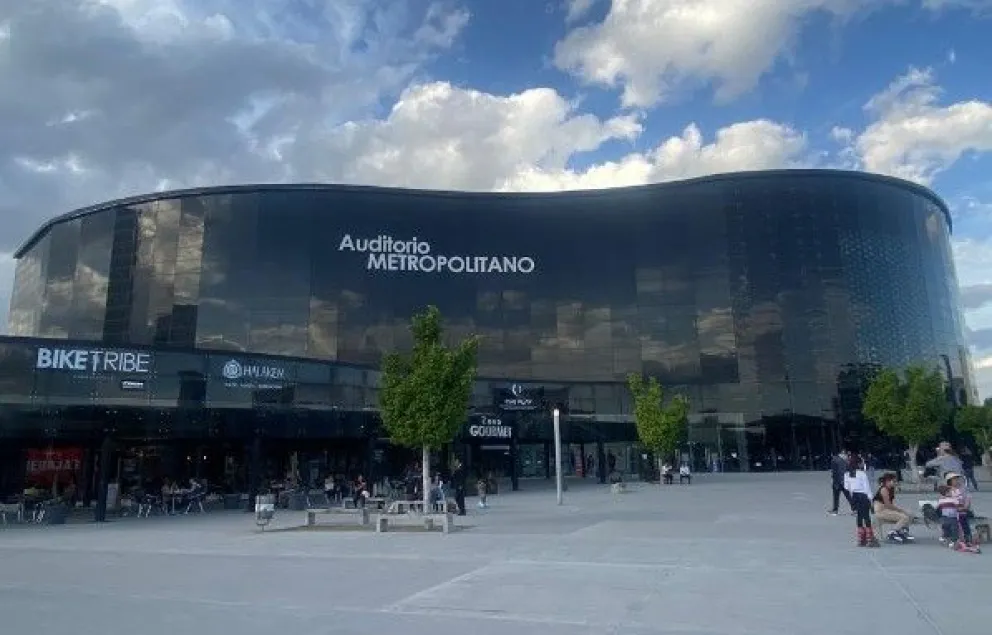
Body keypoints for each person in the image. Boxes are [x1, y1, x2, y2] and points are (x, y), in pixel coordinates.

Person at [844, 453, 879, 547]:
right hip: (863, 496)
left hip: (854, 497)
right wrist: (871, 499)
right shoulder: (861, 474)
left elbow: (846, 487)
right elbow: (867, 488)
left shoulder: (847, 474)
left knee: (859, 516)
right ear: (858, 463)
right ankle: (869, 538)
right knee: (866, 516)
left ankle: (860, 538)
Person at [872, 473, 914, 543]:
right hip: (881, 511)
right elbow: (888, 505)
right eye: (894, 481)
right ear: (888, 481)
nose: (895, 483)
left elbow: (890, 504)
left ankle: (902, 532)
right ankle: (893, 533)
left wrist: (900, 510)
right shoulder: (884, 489)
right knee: (904, 517)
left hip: (886, 510)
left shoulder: (891, 488)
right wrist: (900, 510)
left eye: (895, 481)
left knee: (909, 514)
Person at [945, 472, 974, 546]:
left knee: (963, 519)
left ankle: (968, 537)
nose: (956, 481)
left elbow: (968, 499)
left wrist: (964, 507)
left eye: (957, 479)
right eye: (954, 479)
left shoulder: (963, 489)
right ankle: (948, 536)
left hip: (962, 510)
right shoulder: (947, 490)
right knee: (947, 520)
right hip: (951, 511)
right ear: (949, 481)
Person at [829, 450, 853, 516]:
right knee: (848, 496)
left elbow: (835, 472)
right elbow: (849, 470)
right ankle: (855, 509)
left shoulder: (834, 460)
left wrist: (834, 480)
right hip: (845, 481)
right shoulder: (845, 460)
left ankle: (835, 510)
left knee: (836, 497)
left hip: (837, 481)